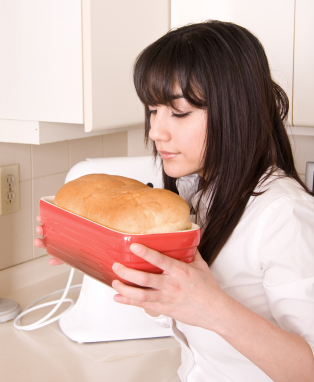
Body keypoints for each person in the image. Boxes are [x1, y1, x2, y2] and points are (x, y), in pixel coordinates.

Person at [35, 21, 314, 382]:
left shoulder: (284, 215)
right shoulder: (194, 195)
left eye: (179, 112)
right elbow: (175, 310)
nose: (155, 131)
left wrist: (212, 306)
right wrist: (96, 255)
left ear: (238, 111)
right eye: (153, 110)